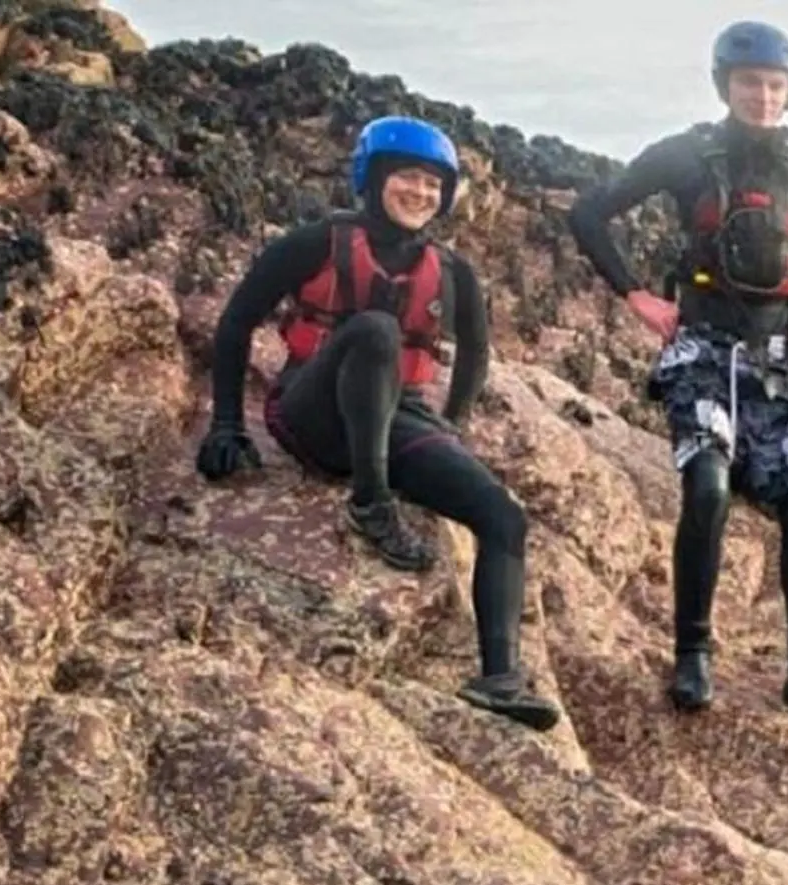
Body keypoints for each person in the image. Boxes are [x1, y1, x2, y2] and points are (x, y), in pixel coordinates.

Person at [566, 20, 788, 732]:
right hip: (703, 347)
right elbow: (590, 213)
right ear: (726, 85)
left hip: (782, 356)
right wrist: (635, 292)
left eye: (776, 86)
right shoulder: (687, 154)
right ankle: (692, 652)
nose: (763, 97)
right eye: (750, 83)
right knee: (708, 483)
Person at [193, 115, 562, 733]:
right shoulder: (315, 242)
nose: (420, 193)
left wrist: (456, 427)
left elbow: (474, 355)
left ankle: (500, 679)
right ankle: (370, 502)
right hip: (311, 411)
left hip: (401, 418)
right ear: (373, 177)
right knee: (375, 329)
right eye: (406, 178)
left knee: (503, 515)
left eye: (432, 184)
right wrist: (227, 423)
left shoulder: (454, 274)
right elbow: (235, 323)